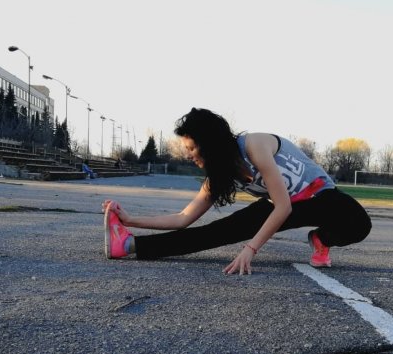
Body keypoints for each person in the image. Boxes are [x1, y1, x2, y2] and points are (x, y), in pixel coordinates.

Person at [102, 108, 371, 275]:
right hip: (281, 205)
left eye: (192, 148)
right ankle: (128, 245)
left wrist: (250, 248)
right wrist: (129, 220)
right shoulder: (219, 176)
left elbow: (284, 207)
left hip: (320, 196)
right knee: (217, 231)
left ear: (210, 143)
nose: (189, 155)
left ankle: (322, 239)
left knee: (360, 223)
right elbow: (183, 218)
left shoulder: (255, 145)